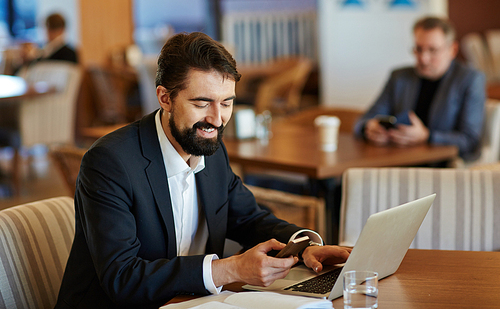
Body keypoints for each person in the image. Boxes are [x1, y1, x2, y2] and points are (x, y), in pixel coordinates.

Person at [55, 32, 350, 309]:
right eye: (201, 103)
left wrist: (303, 244)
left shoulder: (209, 147)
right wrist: (230, 269)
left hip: (191, 303)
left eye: (226, 103)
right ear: (165, 98)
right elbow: (122, 277)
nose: (217, 119)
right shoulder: (110, 162)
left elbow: (249, 218)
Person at [354, 16, 485, 161]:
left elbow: (470, 141)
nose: (423, 58)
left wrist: (427, 136)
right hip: (397, 160)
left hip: (441, 168)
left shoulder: (470, 80)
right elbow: (364, 120)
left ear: (452, 49)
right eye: (418, 49)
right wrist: (369, 128)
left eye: (433, 50)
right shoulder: (399, 77)